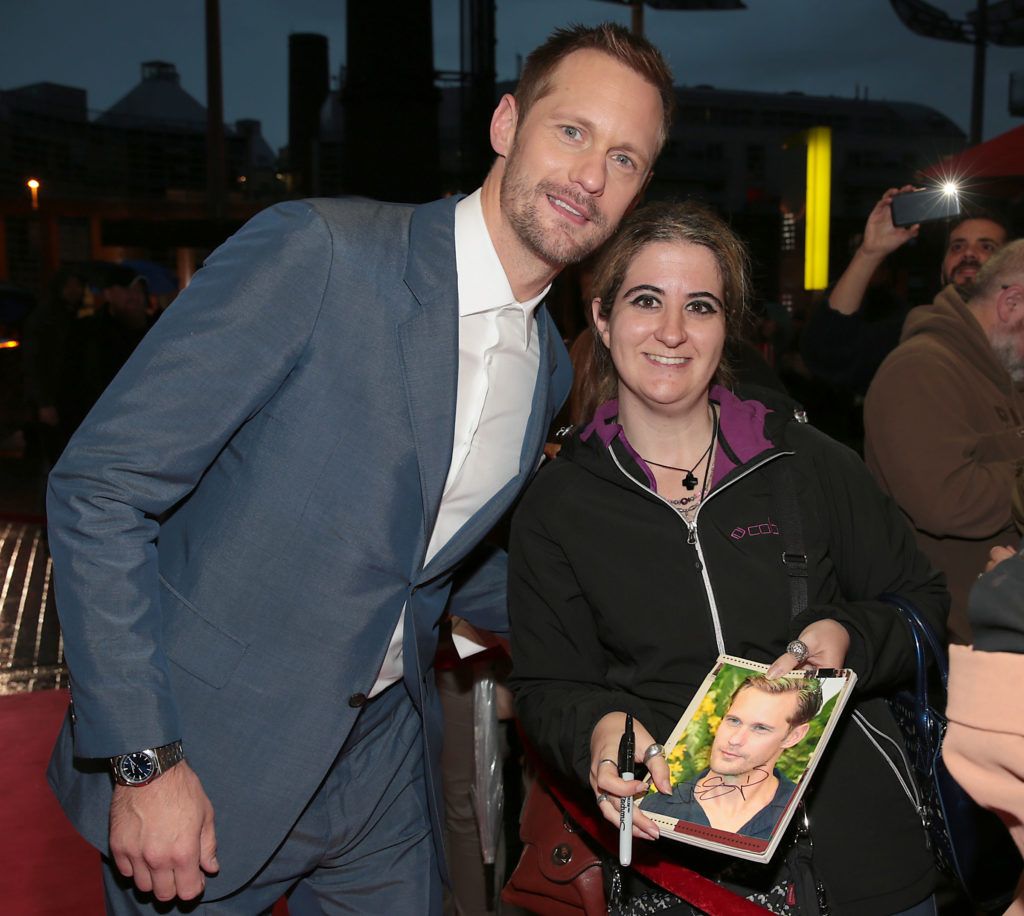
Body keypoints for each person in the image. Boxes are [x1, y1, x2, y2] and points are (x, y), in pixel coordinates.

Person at [44, 23, 674, 914]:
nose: (590, 176)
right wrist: (145, 763)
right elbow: (99, 489)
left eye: (625, 158)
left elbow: (442, 566)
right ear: (505, 123)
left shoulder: (551, 365)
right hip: (210, 759)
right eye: (571, 131)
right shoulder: (323, 253)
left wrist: (651, 610)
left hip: (383, 761)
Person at [508, 200, 948, 915]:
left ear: (727, 328)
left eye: (701, 307)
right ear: (601, 317)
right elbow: (548, 683)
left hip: (860, 857)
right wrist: (597, 726)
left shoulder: (807, 463)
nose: (673, 332)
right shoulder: (559, 506)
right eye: (646, 300)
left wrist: (848, 638)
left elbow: (920, 603)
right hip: (682, 875)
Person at [864, 240, 1024, 644]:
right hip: (957, 642)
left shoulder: (1004, 372)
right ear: (1013, 303)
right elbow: (947, 503)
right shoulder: (920, 370)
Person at [801, 188, 1009, 396]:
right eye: (957, 247)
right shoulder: (915, 332)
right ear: (942, 270)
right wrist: (870, 253)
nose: (969, 254)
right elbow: (828, 353)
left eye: (987, 247)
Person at [643, 675, 821, 840]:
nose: (734, 740)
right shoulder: (654, 808)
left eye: (760, 728)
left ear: (794, 736)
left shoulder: (804, 815)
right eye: (734, 720)